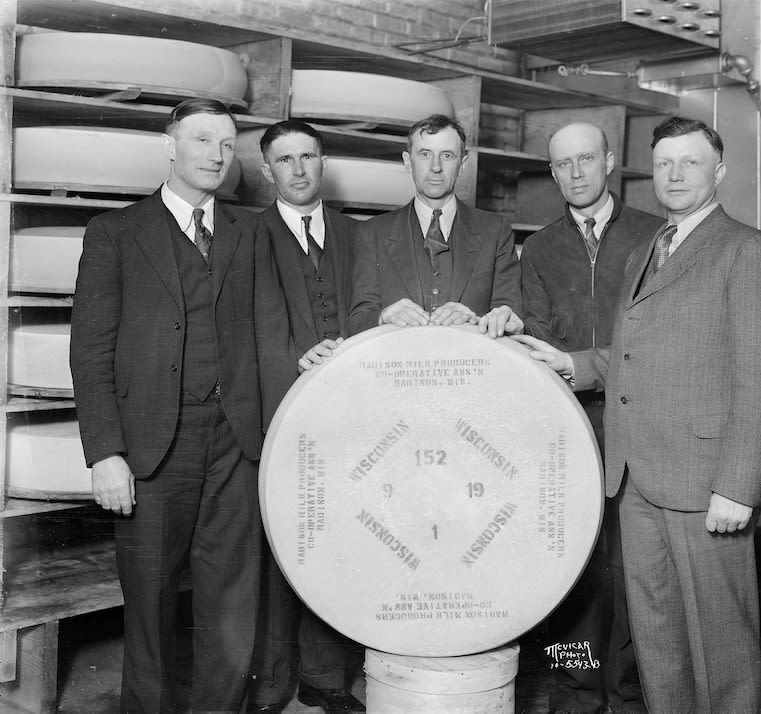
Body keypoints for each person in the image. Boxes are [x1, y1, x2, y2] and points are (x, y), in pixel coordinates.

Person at [514, 116, 761, 714]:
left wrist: (739, 487)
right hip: (636, 478)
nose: (674, 175)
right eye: (665, 163)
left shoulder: (749, 251)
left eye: (690, 163)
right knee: (658, 641)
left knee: (719, 648)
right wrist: (571, 364)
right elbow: (634, 354)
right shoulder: (651, 247)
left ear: (718, 171)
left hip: (703, 483)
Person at [70, 98, 296, 714]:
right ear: (170, 146)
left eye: (226, 145)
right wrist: (106, 454)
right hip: (148, 448)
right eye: (201, 141)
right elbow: (89, 354)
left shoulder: (252, 231)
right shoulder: (115, 233)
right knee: (149, 606)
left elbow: (272, 341)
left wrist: (279, 441)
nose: (216, 156)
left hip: (236, 446)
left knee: (231, 604)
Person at [520, 121, 662, 714]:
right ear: (552, 173)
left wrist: (577, 364)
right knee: (567, 571)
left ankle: (631, 693)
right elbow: (532, 334)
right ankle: (575, 691)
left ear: (608, 162)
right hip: (564, 429)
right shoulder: (541, 247)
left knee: (634, 572)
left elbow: (655, 340)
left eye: (586, 159)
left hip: (638, 426)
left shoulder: (656, 238)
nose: (575, 173)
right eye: (562, 165)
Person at [249, 119, 364, 714]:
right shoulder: (247, 233)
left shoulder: (357, 235)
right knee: (275, 550)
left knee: (335, 543)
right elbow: (243, 327)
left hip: (348, 419)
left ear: (324, 163)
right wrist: (294, 359)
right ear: (267, 171)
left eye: (308, 157)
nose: (298, 169)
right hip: (277, 413)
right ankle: (270, 684)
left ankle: (326, 680)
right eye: (284, 159)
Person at [347, 113, 523, 338]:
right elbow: (357, 322)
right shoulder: (371, 232)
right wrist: (382, 316)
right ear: (408, 162)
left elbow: (511, 317)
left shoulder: (496, 231)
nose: (436, 167)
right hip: (397, 367)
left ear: (463, 164)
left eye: (447, 155)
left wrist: (475, 321)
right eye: (425, 154)